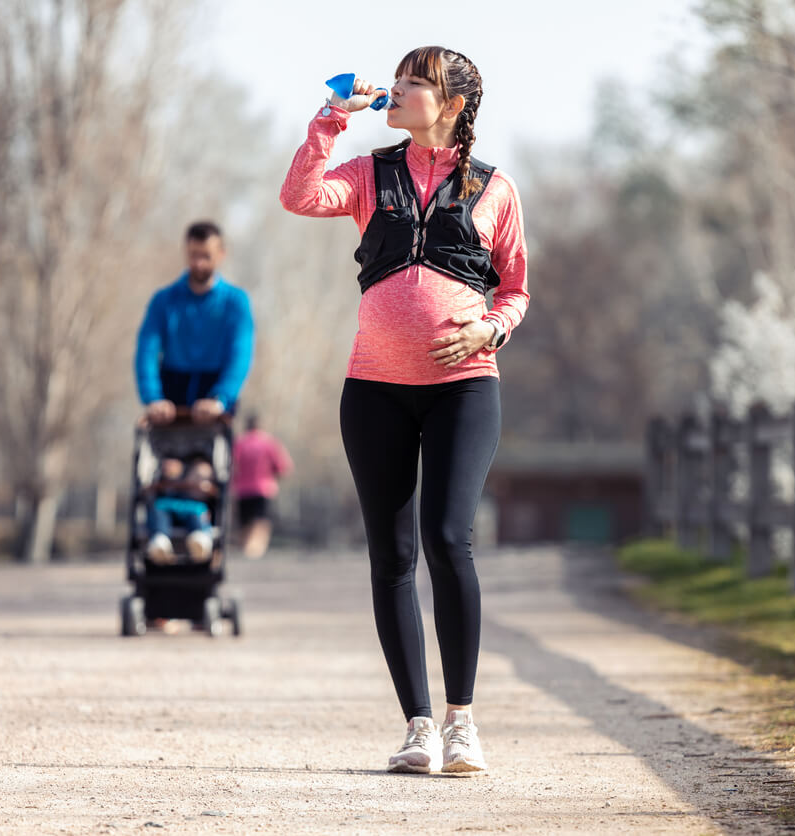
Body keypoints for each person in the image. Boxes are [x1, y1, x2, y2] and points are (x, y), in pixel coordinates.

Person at [280, 46, 529, 776]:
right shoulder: (370, 173)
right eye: (401, 76)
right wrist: (331, 119)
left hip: (465, 387)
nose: (397, 88)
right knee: (392, 556)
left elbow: (514, 289)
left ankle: (462, 722)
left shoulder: (494, 188)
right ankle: (418, 727)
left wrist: (493, 327)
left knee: (449, 538)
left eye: (415, 81)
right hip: (374, 390)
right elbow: (301, 196)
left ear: (450, 104)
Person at [134, 221, 254, 425]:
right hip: (171, 392)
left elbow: (240, 355)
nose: (198, 263)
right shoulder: (164, 300)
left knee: (204, 459)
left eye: (206, 256)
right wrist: (153, 398)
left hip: (214, 390)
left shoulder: (236, 302)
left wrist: (221, 398)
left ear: (221, 254)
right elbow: (147, 350)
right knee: (169, 459)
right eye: (193, 255)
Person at [231, 413, 293, 559]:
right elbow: (283, 467)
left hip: (242, 490)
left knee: (245, 521)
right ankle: (255, 552)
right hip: (263, 488)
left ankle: (245, 550)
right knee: (260, 521)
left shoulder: (240, 443)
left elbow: (232, 465)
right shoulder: (269, 443)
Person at [145, 454, 217, 564]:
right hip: (167, 511)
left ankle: (199, 541)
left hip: (190, 511)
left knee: (197, 512)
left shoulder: (197, 499)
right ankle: (160, 544)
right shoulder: (161, 481)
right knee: (158, 512)